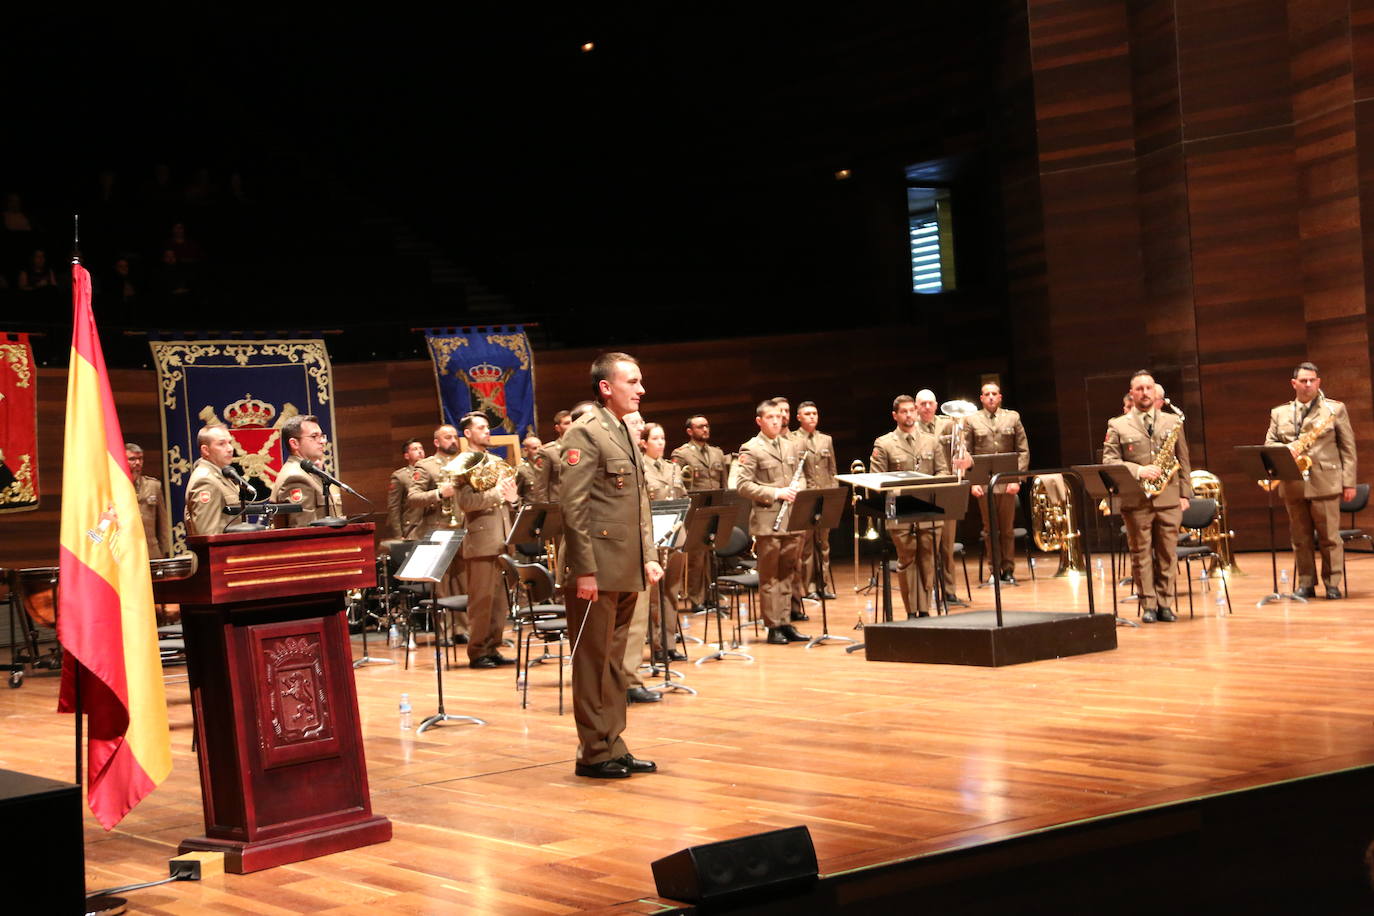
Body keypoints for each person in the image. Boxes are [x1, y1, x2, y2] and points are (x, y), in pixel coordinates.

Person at [561, 352, 663, 778]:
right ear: (607, 387)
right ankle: (593, 752)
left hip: (625, 566)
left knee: (617, 664)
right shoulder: (585, 433)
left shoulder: (621, 429)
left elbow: (638, 503)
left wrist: (651, 557)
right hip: (597, 569)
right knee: (593, 662)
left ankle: (613, 743)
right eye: (632, 382)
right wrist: (584, 570)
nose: (641, 389)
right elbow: (574, 507)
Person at [1103, 370, 1192, 622]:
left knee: (1167, 553)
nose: (1144, 393)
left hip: (1169, 498)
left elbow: (1184, 460)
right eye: (1139, 389)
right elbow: (1110, 461)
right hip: (1136, 498)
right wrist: (1139, 470)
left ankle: (1165, 603)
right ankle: (1149, 605)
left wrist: (1185, 494)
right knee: (1140, 553)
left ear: (1155, 392)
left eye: (1149, 388)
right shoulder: (1117, 424)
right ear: (1132, 393)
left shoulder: (1172, 421)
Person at [1265, 361, 1358, 599]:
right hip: (1293, 482)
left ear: (1319, 382)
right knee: (1300, 538)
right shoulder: (1279, 413)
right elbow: (1269, 444)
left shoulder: (1334, 409)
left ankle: (1332, 583)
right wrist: (1287, 448)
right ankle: (1306, 583)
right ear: (1294, 383)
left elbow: (1348, 448)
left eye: (1312, 380)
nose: (1308, 385)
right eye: (1303, 381)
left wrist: (1348, 482)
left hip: (1325, 481)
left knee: (1329, 537)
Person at [870, 395, 952, 617]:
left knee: (927, 559)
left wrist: (931, 486)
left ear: (916, 412)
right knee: (907, 559)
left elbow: (943, 471)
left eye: (911, 411)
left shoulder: (931, 441)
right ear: (895, 415)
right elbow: (877, 479)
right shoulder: (884, 443)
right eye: (903, 411)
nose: (909, 415)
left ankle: (924, 609)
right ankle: (911, 610)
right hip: (900, 511)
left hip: (928, 509)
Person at [737, 400, 809, 644]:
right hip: (769, 521)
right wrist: (776, 493)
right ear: (760, 421)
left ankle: (786, 622)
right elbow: (743, 486)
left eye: (779, 416)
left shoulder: (792, 445)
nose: (777, 421)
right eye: (770, 417)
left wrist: (800, 488)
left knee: (789, 573)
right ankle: (773, 626)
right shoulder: (751, 448)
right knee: (770, 577)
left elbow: (803, 478)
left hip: (792, 519)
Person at [455, 412, 521, 668]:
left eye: (487, 427)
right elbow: (466, 502)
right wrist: (498, 493)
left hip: (503, 537)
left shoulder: (496, 460)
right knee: (482, 601)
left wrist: (513, 498)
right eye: (481, 428)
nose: (487, 431)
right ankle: (478, 651)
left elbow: (509, 499)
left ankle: (493, 647)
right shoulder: (462, 462)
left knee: (499, 601)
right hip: (481, 540)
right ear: (468, 433)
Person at [406, 424, 469, 639]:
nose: (453, 440)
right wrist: (439, 493)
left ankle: (463, 629)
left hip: (463, 528)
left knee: (463, 580)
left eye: (455, 436)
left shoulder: (465, 462)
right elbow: (413, 498)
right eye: (447, 437)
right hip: (438, 529)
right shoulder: (426, 466)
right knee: (441, 584)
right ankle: (445, 632)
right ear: (436, 442)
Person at [964, 382, 1030, 584]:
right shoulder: (972, 420)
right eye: (987, 394)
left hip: (1007, 481)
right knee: (990, 529)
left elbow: (1023, 450)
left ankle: (1008, 569)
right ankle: (994, 570)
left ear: (1000, 397)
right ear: (981, 398)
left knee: (1007, 529)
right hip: (983, 483)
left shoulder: (1013, 417)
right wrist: (972, 482)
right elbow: (965, 452)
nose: (991, 397)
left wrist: (1017, 479)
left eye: (994, 393)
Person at [914, 390, 971, 606]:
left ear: (936, 405)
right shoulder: (913, 429)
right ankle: (928, 591)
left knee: (947, 545)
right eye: (923, 404)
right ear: (917, 407)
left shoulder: (949, 424)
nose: (927, 407)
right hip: (922, 490)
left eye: (930, 403)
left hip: (946, 490)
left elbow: (962, 451)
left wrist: (966, 461)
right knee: (927, 547)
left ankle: (949, 590)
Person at [670, 414, 729, 611]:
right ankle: (696, 599)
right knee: (696, 558)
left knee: (712, 555)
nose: (705, 429)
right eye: (700, 427)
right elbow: (676, 483)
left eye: (706, 426)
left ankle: (711, 595)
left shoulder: (717, 453)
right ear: (690, 431)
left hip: (714, 509)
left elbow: (724, 483)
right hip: (695, 511)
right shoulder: (682, 454)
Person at [789, 401, 838, 601]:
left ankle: (822, 584)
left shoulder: (826, 440)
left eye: (814, 413)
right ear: (799, 417)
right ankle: (808, 587)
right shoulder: (792, 440)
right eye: (807, 414)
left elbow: (832, 470)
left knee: (823, 544)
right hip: (805, 499)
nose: (812, 417)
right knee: (807, 546)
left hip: (824, 497)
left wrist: (833, 495)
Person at [270, 415, 341, 526]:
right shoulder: (296, 477)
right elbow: (304, 530)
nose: (322, 441)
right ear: (294, 443)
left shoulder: (309, 471)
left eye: (322, 436)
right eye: (314, 436)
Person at [184, 425, 241, 536]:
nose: (230, 449)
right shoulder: (205, 480)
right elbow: (208, 534)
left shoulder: (219, 475)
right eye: (221, 444)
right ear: (205, 450)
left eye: (230, 442)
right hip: (222, 552)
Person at [126, 442, 171, 558]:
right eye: (132, 459)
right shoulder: (115, 487)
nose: (137, 463)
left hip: (151, 551)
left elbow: (163, 523)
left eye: (140, 459)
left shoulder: (153, 486)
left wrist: (165, 550)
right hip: (126, 552)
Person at [530, 410, 574, 504]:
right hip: (558, 504)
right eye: (566, 423)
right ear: (558, 428)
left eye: (572, 422)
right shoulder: (548, 452)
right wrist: (544, 510)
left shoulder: (583, 447)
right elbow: (540, 486)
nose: (571, 425)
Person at [387, 437, 426, 539]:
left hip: (433, 525)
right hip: (413, 527)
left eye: (421, 448)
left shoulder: (431, 471)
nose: (420, 451)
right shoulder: (400, 476)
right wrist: (398, 535)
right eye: (415, 449)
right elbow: (394, 507)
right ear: (406, 455)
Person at [516, 434, 543, 503]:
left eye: (540, 447)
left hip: (552, 508)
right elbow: (516, 495)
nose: (538, 451)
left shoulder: (548, 466)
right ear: (526, 450)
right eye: (534, 448)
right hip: (532, 510)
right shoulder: (522, 471)